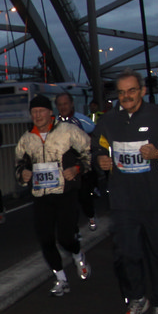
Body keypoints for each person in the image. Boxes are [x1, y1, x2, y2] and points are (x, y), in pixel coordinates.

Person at [91, 72, 158, 314]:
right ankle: (136, 299)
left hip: (157, 199)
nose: (126, 96)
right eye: (122, 92)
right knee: (125, 254)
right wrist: (100, 159)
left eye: (131, 90)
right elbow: (96, 148)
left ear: (142, 91)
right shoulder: (108, 121)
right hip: (123, 201)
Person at [15, 95, 91, 295]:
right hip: (41, 195)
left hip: (65, 193)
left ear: (50, 112)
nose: (38, 115)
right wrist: (22, 174)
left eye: (41, 111)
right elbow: (19, 165)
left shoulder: (68, 131)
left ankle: (78, 254)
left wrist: (77, 168)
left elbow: (89, 153)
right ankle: (61, 279)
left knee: (65, 238)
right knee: (45, 239)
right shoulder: (26, 139)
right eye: (34, 112)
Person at [55, 91, 98, 231]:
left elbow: (95, 135)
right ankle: (74, 231)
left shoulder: (82, 120)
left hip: (81, 166)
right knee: (68, 201)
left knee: (84, 197)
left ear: (71, 104)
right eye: (60, 104)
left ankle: (91, 215)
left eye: (65, 104)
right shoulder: (54, 122)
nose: (63, 107)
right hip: (64, 168)